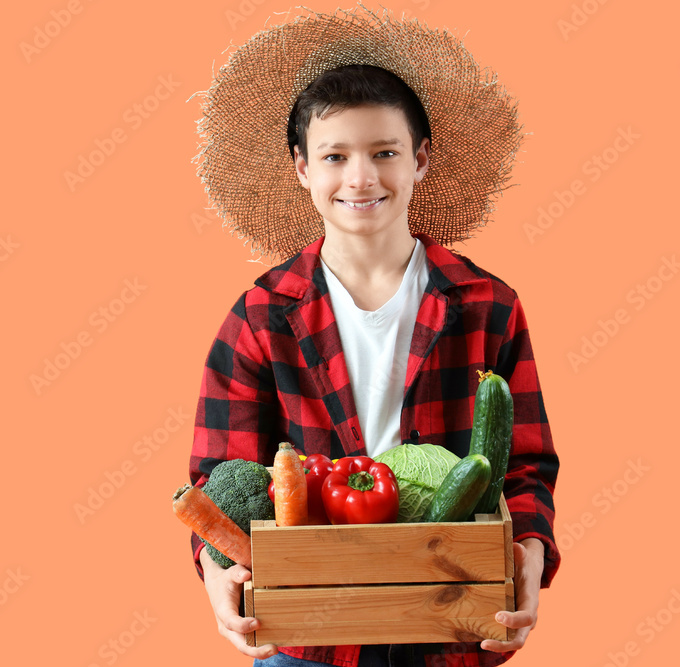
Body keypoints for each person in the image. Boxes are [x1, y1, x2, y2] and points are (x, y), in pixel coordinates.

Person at [187, 7, 560, 667]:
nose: (361, 178)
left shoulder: (488, 307)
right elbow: (222, 478)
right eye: (336, 156)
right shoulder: (259, 315)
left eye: (384, 152)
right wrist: (218, 573)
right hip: (310, 640)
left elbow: (525, 467)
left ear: (420, 159)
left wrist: (527, 555)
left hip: (449, 627)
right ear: (303, 168)